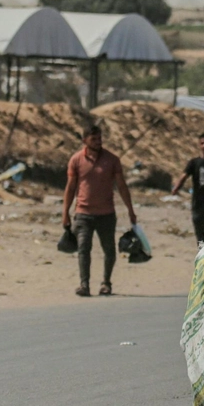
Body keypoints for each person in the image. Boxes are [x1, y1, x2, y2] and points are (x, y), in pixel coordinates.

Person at [61, 125, 137, 297]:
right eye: (94, 139)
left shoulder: (112, 160)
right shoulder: (76, 160)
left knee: (109, 250)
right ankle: (84, 284)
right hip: (83, 214)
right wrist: (65, 213)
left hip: (106, 214)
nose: (98, 142)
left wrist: (130, 210)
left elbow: (122, 186)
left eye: (100, 138)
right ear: (84, 140)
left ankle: (106, 283)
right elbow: (70, 188)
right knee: (83, 249)